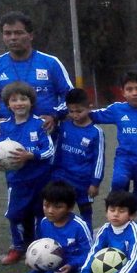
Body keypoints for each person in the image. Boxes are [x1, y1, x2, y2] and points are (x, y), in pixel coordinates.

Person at [0, 81, 55, 264]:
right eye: (14, 100)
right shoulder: (3, 127)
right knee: (15, 214)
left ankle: (40, 248)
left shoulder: (40, 124)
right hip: (17, 181)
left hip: (40, 179)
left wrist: (30, 155)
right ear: (8, 105)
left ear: (31, 102)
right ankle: (17, 247)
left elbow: (49, 150)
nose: (19, 103)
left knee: (42, 213)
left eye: (23, 99)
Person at [89, 70, 137, 245]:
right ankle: (115, 232)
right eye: (129, 89)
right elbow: (93, 115)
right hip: (125, 160)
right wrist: (74, 113)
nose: (134, 92)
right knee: (118, 184)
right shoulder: (117, 109)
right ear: (123, 91)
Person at [0, 11, 73, 134]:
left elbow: (69, 95)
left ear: (31, 35)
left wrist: (54, 116)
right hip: (8, 135)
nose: (13, 38)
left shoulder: (50, 63)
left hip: (46, 134)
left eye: (18, 33)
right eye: (7, 33)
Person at [51, 88, 105, 231]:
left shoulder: (96, 132)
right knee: (59, 207)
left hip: (83, 180)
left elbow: (99, 159)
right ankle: (59, 236)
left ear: (89, 108)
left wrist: (95, 182)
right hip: (61, 176)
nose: (75, 115)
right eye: (71, 111)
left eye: (79, 111)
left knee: (85, 209)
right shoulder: (64, 125)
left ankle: (87, 237)